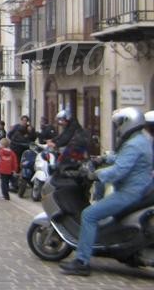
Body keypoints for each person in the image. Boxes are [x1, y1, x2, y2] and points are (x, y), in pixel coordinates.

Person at [60, 107, 154, 276]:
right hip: (138, 189)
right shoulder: (140, 140)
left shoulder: (133, 144)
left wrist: (95, 174)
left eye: (120, 123)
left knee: (89, 215)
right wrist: (102, 158)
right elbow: (122, 159)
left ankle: (81, 262)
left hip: (129, 193)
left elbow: (119, 170)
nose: (118, 127)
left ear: (129, 122)